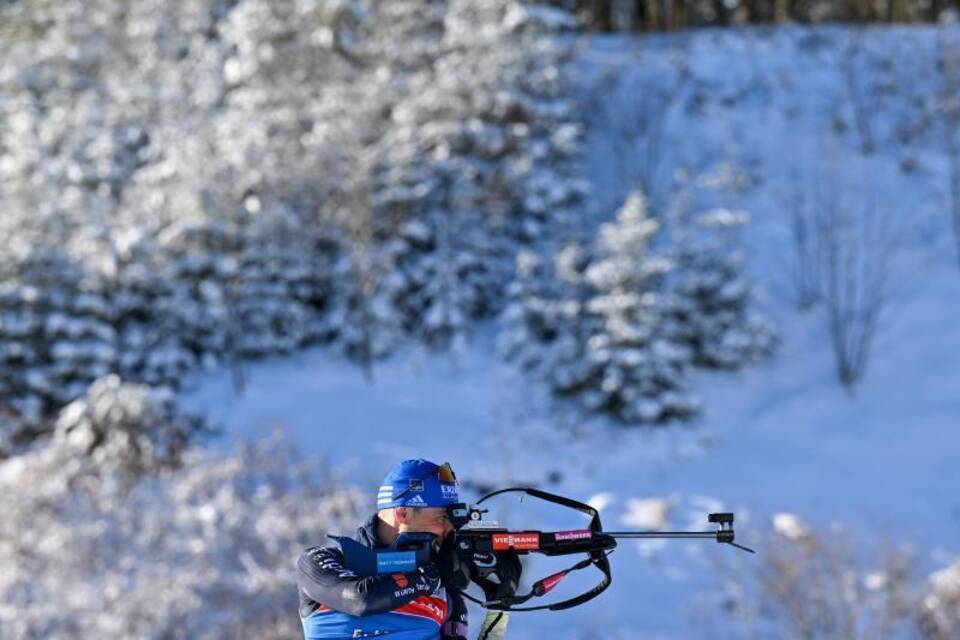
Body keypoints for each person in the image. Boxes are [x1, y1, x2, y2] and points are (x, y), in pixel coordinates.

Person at [296, 459, 471, 640]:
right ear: (403, 514)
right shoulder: (319, 561)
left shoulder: (442, 586)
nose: (448, 531)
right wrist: (425, 580)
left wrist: (498, 602)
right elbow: (361, 600)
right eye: (441, 518)